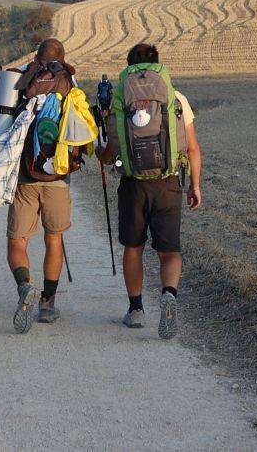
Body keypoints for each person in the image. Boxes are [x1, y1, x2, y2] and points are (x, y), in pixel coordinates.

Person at [99, 43, 202, 339]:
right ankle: (169, 294)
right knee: (169, 251)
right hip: (168, 183)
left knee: (133, 248)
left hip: (133, 185)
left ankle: (136, 310)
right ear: (157, 64)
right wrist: (194, 185)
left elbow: (109, 152)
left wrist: (100, 155)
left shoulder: (121, 98)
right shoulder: (176, 98)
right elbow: (192, 147)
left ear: (129, 66)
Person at [7, 39, 80, 333]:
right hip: (58, 176)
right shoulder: (69, 83)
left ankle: (25, 286)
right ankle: (47, 303)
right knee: (54, 239)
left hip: (25, 176)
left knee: (17, 241)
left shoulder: (24, 79)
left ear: (37, 57)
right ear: (62, 58)